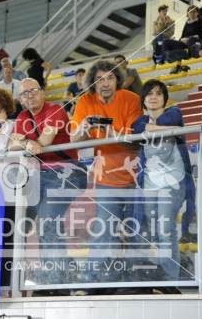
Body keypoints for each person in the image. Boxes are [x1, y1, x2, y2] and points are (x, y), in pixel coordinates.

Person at [9, 78, 84, 295]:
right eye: (24, 94)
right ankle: (19, 282)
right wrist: (25, 143)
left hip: (66, 173)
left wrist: (25, 142)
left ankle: (57, 283)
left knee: (47, 222)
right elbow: (12, 144)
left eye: (33, 91)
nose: (29, 96)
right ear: (20, 99)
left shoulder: (55, 109)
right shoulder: (23, 116)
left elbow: (43, 143)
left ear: (43, 92)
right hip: (37, 177)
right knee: (17, 224)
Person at [70, 59, 142, 284]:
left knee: (135, 233)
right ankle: (93, 280)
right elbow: (74, 139)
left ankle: (134, 280)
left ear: (117, 80)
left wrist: (108, 131)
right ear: (92, 81)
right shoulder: (85, 101)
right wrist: (85, 127)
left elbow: (134, 141)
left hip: (136, 177)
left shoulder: (131, 99)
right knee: (103, 233)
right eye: (100, 79)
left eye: (110, 77)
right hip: (106, 179)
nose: (105, 83)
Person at [131, 79, 195, 281]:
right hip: (150, 184)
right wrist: (157, 129)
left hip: (173, 182)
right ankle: (162, 273)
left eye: (158, 93)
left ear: (165, 98)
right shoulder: (139, 121)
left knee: (166, 229)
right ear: (143, 99)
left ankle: (170, 278)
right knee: (154, 230)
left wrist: (150, 129)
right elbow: (136, 129)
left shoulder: (174, 112)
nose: (154, 97)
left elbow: (169, 121)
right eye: (149, 94)